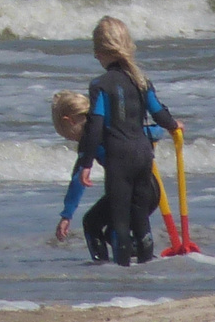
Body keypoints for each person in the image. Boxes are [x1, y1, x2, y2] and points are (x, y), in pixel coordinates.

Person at [75, 16, 180, 266]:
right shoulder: (142, 81)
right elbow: (158, 111)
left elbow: (96, 125)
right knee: (140, 219)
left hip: (119, 158)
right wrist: (175, 125)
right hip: (144, 155)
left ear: (101, 51)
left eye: (95, 51)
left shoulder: (100, 85)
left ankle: (124, 278)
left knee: (120, 221)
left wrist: (86, 162)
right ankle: (146, 268)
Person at [51, 90, 162, 263]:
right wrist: (169, 128)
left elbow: (78, 180)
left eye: (66, 134)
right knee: (115, 231)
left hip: (126, 192)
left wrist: (67, 215)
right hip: (151, 189)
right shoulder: (116, 126)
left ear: (69, 121)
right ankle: (146, 261)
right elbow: (154, 131)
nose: (70, 139)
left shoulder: (88, 140)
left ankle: (102, 267)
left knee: (93, 224)